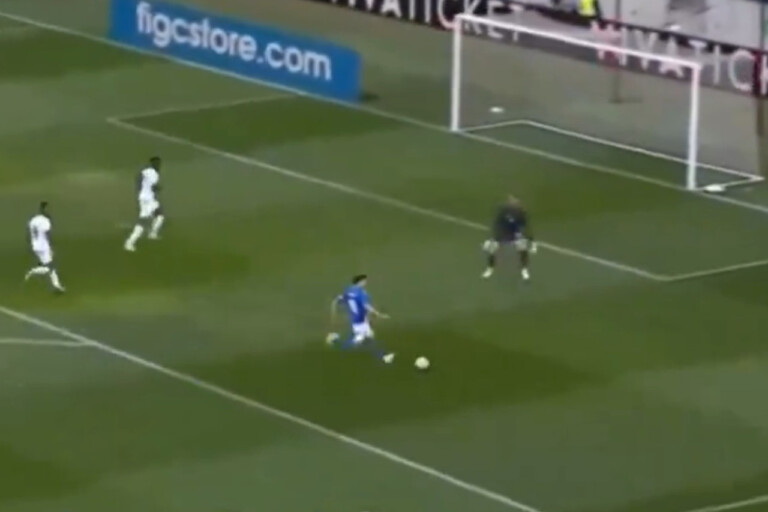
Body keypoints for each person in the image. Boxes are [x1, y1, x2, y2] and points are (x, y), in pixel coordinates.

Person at [328, 274, 395, 364]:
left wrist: (333, 309)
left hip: (356, 319)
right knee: (360, 340)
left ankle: (383, 356)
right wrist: (378, 314)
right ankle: (335, 342)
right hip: (360, 321)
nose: (365, 283)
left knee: (367, 339)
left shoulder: (348, 290)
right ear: (360, 281)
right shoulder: (361, 293)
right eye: (364, 281)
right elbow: (366, 306)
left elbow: (338, 300)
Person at [482, 195, 536, 281]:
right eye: (511, 201)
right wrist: (493, 238)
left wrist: (532, 242)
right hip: (503, 233)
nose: (513, 203)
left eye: (515, 201)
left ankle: (524, 270)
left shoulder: (521, 213)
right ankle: (490, 268)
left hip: (515, 234)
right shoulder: (503, 211)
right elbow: (497, 224)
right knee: (492, 248)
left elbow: (526, 227)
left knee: (523, 249)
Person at [124, 156, 165, 252]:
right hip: (147, 200)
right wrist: (156, 188)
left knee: (160, 215)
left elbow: (142, 178)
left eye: (159, 163)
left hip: (150, 199)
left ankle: (152, 234)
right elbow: (144, 180)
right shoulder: (151, 172)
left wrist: (141, 187)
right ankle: (129, 242)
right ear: (153, 164)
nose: (159, 165)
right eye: (157, 163)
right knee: (143, 222)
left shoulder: (152, 172)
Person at [25, 201, 65, 293]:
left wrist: (31, 244)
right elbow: (47, 234)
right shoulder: (45, 221)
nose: (49, 210)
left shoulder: (33, 219)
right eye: (47, 208)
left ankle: (57, 285)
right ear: (43, 209)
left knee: (49, 266)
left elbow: (29, 234)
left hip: (35, 246)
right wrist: (51, 246)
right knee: (51, 267)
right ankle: (32, 272)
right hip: (43, 246)